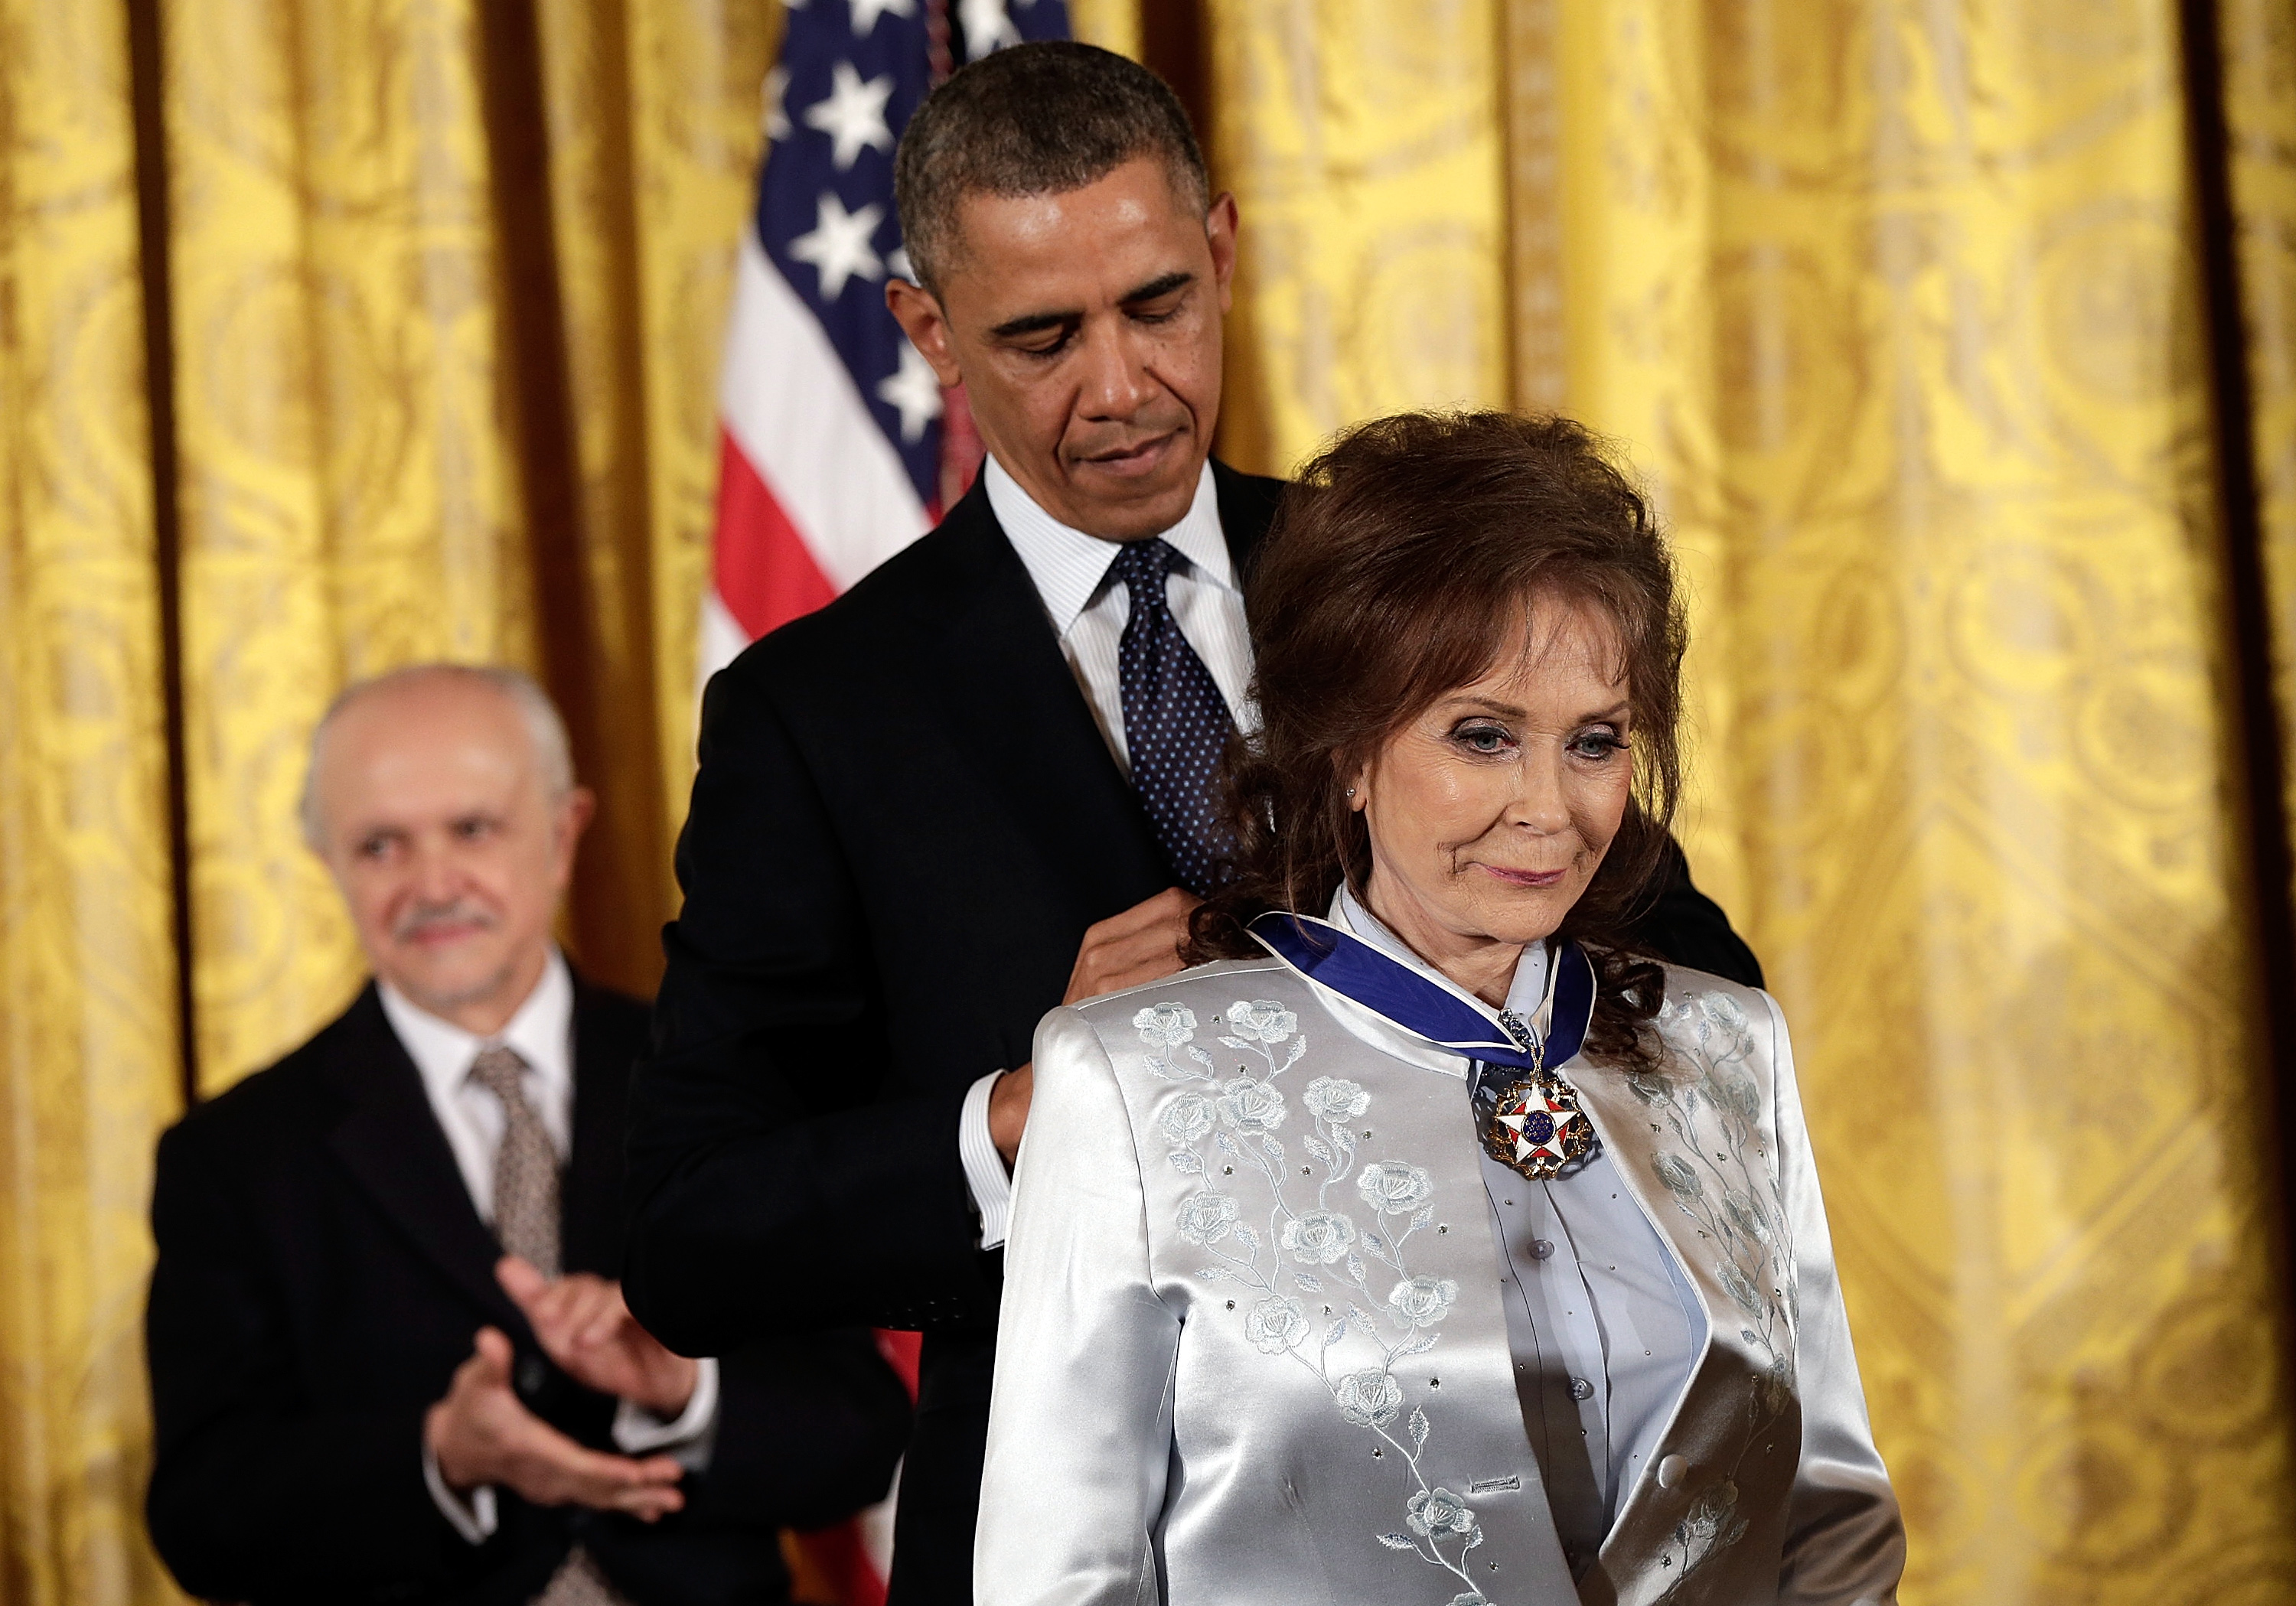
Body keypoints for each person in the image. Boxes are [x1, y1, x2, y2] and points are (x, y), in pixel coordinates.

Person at [623, 43, 1761, 1606]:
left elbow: (1697, 993)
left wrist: (1464, 979)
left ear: (1220, 248)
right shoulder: (812, 714)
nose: (1121, 385)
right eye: (1040, 335)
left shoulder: (1415, 585)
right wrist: (1027, 1104)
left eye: (1157, 302)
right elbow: (690, 1232)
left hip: (1498, 1508)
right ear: (926, 328)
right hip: (1072, 1533)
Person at [979, 412, 1904, 1606]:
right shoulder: (1129, 1078)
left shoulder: (1726, 1045)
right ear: (1348, 752)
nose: (1548, 806)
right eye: (1483, 734)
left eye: (1594, 742)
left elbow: (1831, 1522)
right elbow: (1059, 1577)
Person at [145, 665, 911, 1606]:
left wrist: (685, 1393)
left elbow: (862, 1431)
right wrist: (442, 1457)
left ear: (562, 832)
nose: (433, 883)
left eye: (472, 828)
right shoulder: (232, 1155)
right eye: (381, 844)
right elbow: (204, 1516)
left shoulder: (737, 1082)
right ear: (328, 862)